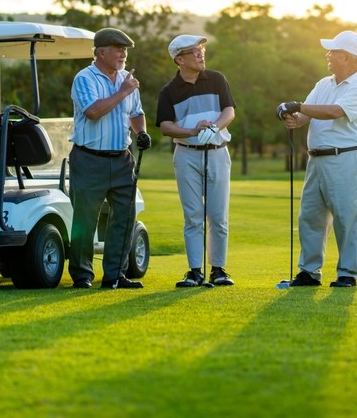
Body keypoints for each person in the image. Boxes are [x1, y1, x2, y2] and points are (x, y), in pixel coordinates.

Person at [276, 30, 357, 288]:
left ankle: (347, 274)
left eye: (333, 52)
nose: (327, 55)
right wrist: (292, 117)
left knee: (346, 218)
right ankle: (309, 272)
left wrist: (296, 105)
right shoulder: (324, 84)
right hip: (316, 160)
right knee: (310, 216)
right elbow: (305, 116)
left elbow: (334, 111)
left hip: (346, 158)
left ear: (347, 57)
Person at [68, 27, 151, 290]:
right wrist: (123, 92)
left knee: (124, 218)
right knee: (86, 218)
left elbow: (136, 113)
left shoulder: (127, 79)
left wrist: (142, 132)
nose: (123, 54)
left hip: (122, 158)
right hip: (89, 159)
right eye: (118, 49)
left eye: (125, 50)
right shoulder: (85, 78)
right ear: (101, 52)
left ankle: (115, 275)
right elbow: (93, 111)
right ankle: (82, 275)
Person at [156, 35, 237, 287]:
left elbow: (229, 111)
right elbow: (166, 127)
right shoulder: (169, 91)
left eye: (201, 49)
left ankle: (218, 269)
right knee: (193, 215)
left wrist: (213, 127)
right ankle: (194, 271)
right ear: (179, 59)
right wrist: (192, 131)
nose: (201, 54)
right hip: (186, 154)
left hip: (218, 151)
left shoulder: (216, 79)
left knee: (218, 215)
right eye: (194, 51)